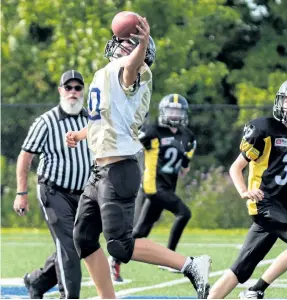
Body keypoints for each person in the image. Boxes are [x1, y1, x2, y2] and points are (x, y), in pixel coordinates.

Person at [66, 14, 211, 299]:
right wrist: (81, 134)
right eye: (122, 42)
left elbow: (132, 67)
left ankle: (191, 265)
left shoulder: (134, 71)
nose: (122, 46)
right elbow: (104, 120)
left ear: (142, 53)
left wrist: (141, 43)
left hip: (119, 169)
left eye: (130, 44)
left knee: (120, 246)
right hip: (100, 170)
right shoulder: (105, 74)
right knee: (83, 238)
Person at [208, 77, 287, 299]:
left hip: (282, 209)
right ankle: (256, 290)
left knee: (241, 269)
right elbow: (236, 168)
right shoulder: (263, 130)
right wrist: (244, 191)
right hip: (264, 204)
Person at [13, 70, 92, 299]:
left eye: (78, 88)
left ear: (83, 92)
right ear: (60, 91)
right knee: (69, 244)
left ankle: (37, 281)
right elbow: (25, 157)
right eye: (68, 88)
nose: (73, 93)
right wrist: (21, 193)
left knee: (79, 243)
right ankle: (69, 296)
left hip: (83, 194)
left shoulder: (90, 119)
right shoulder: (46, 122)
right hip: (53, 191)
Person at [110, 93, 197, 281]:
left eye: (178, 111)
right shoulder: (152, 131)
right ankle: (172, 258)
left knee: (140, 232)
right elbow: (129, 145)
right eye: (171, 110)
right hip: (153, 186)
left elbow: (184, 166)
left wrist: (181, 166)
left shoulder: (187, 136)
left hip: (166, 188)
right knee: (184, 213)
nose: (174, 115)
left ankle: (115, 259)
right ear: (164, 112)